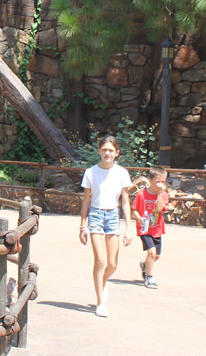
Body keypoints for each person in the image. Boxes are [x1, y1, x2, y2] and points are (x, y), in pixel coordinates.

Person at [78, 136, 133, 318]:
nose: (107, 153)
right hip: (95, 214)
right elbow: (86, 200)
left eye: (111, 150)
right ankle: (100, 302)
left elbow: (125, 201)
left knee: (112, 264)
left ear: (117, 153)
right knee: (100, 260)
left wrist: (128, 227)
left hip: (112, 215)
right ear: (99, 151)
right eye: (104, 150)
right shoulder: (91, 172)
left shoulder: (122, 173)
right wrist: (82, 225)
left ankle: (103, 281)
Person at [133, 166, 171, 289]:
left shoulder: (164, 195)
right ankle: (149, 277)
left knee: (156, 256)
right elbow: (134, 210)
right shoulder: (141, 195)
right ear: (150, 180)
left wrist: (160, 194)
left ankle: (145, 264)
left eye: (162, 181)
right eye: (157, 181)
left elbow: (158, 209)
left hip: (157, 228)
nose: (160, 184)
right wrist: (139, 218)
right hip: (144, 229)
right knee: (151, 252)